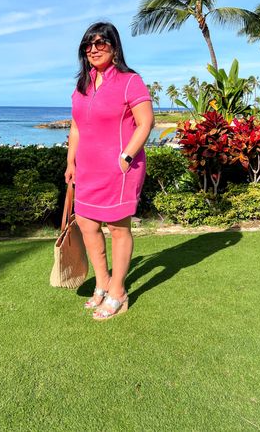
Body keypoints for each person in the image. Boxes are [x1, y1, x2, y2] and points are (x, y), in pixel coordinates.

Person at [65, 22, 154, 320]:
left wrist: (127, 156)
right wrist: (70, 162)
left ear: (115, 47)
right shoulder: (82, 86)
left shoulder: (130, 81)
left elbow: (146, 123)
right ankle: (102, 283)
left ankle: (118, 291)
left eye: (101, 43)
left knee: (117, 229)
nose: (94, 49)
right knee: (88, 225)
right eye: (88, 45)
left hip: (121, 168)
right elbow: (76, 126)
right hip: (88, 169)